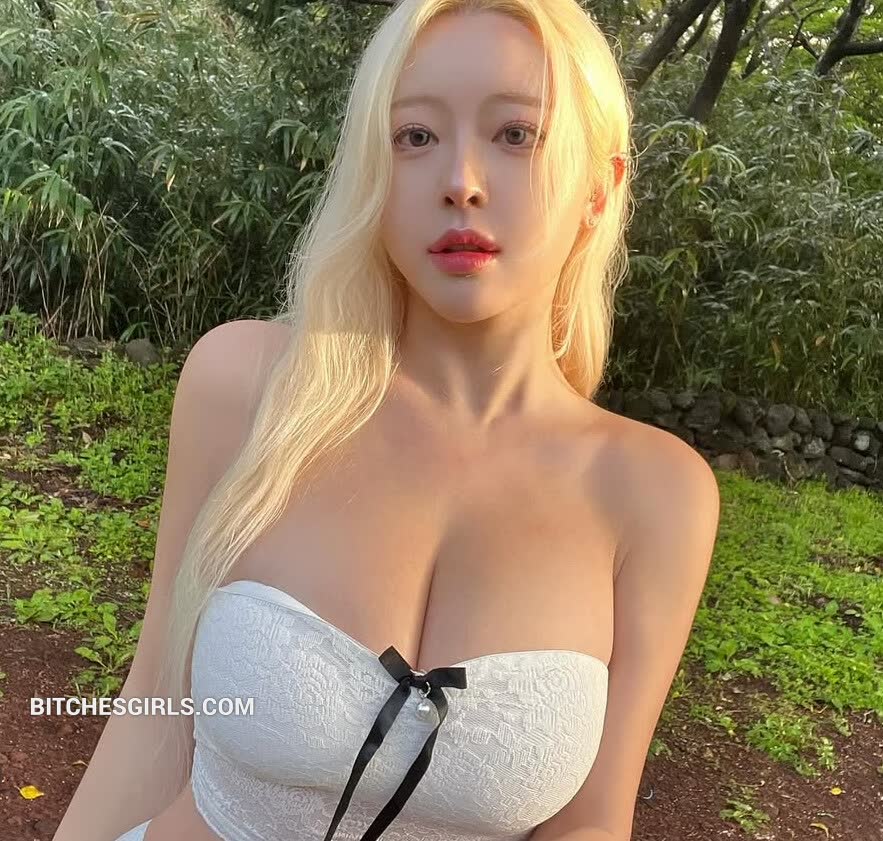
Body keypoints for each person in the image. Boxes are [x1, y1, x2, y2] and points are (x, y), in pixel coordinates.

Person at [53, 0, 720, 839]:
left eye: (516, 134)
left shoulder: (654, 493)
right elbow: (155, 703)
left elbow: (589, 821)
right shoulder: (246, 386)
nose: (459, 180)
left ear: (599, 186)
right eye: (415, 136)